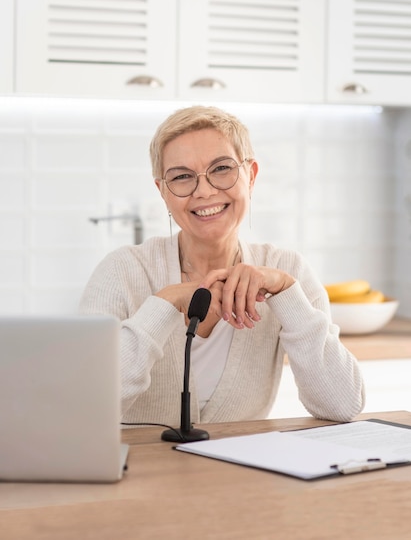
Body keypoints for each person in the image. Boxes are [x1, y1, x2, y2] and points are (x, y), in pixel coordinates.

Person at [79, 105, 365, 426]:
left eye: (221, 168)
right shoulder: (121, 271)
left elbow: (343, 405)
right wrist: (164, 304)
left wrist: (286, 294)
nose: (204, 191)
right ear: (163, 192)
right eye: (182, 177)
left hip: (241, 474)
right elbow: (83, 406)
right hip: (140, 472)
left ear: (251, 176)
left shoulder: (288, 271)